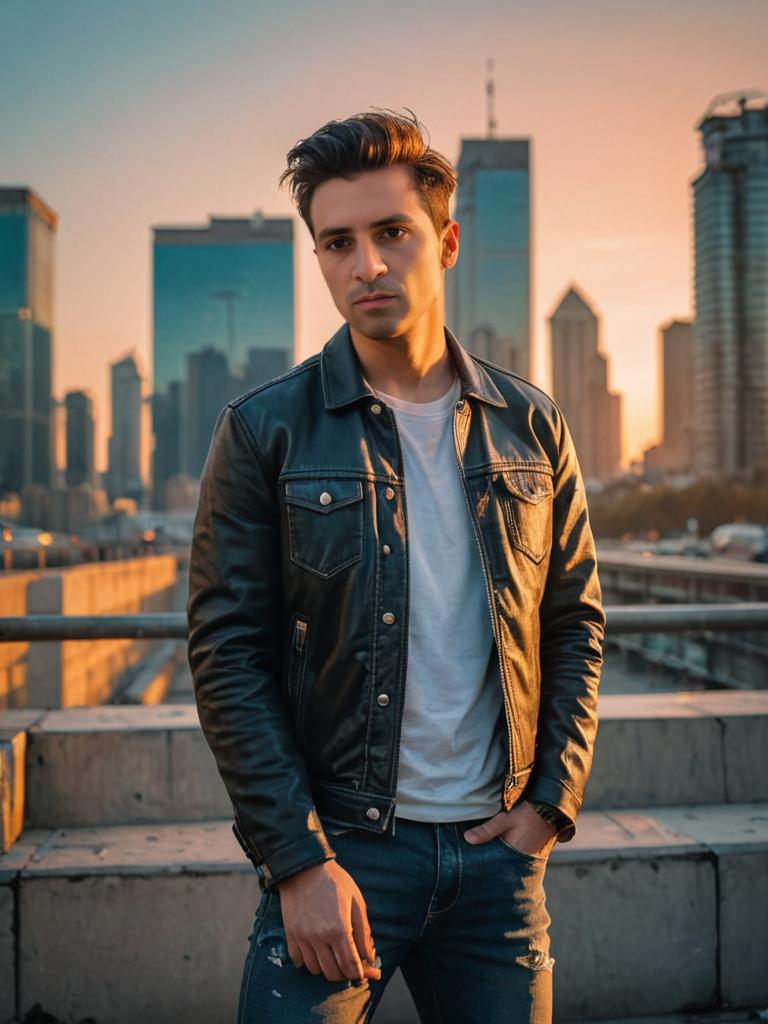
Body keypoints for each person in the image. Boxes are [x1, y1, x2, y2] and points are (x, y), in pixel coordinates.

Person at [187, 108, 605, 1023]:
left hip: (499, 862)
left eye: (391, 233)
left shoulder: (531, 428)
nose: (365, 264)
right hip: (340, 850)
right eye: (337, 243)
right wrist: (297, 861)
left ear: (446, 242)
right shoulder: (265, 430)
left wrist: (548, 807)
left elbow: (574, 624)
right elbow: (228, 656)